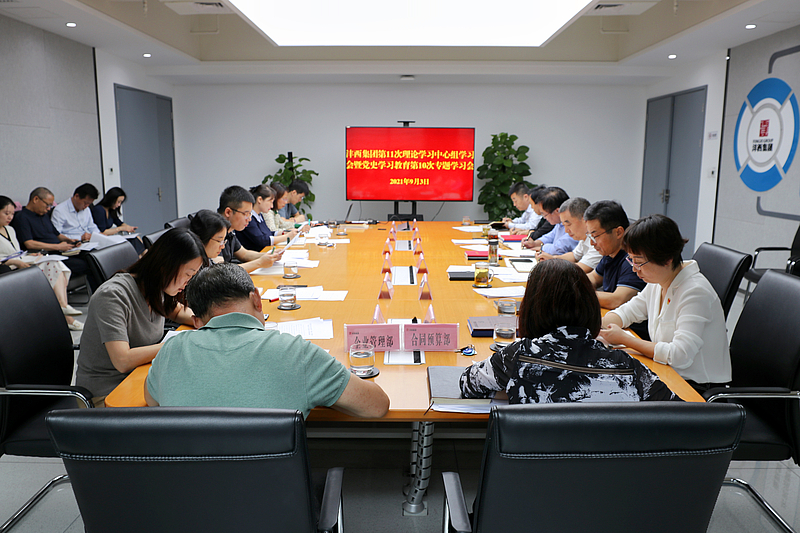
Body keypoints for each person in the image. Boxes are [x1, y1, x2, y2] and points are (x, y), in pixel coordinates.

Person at [145, 263, 391, 418]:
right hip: (271, 486)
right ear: (257, 299)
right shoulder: (296, 353)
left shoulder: (170, 351)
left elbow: (152, 400)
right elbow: (377, 406)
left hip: (186, 485)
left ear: (197, 322)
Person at [460, 259, 677, 403]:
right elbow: (676, 410)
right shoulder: (626, 366)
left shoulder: (517, 356)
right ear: (590, 305)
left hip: (535, 460)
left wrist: (512, 385)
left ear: (533, 308)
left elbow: (468, 384)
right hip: (606, 460)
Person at [599, 214, 732, 391]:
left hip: (695, 389)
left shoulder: (695, 292)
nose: (634, 269)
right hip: (666, 374)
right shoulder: (659, 281)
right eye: (631, 260)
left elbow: (680, 355)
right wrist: (597, 326)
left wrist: (625, 339)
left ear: (667, 259)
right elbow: (627, 312)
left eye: (639, 262)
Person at [75, 227, 205, 404]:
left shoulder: (156, 287)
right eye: (188, 275)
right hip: (108, 394)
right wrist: (177, 345)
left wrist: (202, 321)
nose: (188, 282)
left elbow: (176, 311)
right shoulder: (112, 295)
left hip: (141, 376)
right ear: (165, 267)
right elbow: (123, 360)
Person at [0, 195, 83, 330]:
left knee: (54, 262)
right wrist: (16, 261)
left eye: (12, 214)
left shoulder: (9, 229)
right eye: (6, 213)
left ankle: (63, 306)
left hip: (21, 261)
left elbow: (16, 251)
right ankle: (66, 314)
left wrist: (29, 255)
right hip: (9, 266)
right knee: (53, 265)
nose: (10, 217)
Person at [10, 186, 93, 283]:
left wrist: (70, 241)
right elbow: (29, 243)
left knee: (91, 257)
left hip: (59, 251)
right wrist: (57, 246)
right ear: (36, 199)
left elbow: (57, 234)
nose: (49, 209)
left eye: (50, 206)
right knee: (84, 264)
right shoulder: (22, 217)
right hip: (47, 255)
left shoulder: (43, 215)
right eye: (47, 205)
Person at [217, 185, 283, 273]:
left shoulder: (229, 232)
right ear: (228, 212)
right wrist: (259, 263)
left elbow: (244, 254)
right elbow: (221, 272)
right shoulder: (213, 232)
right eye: (245, 214)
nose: (249, 219)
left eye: (250, 214)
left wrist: (269, 255)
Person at [535, 197, 602, 273]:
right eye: (564, 225)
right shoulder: (584, 237)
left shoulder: (597, 241)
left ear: (584, 219)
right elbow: (574, 256)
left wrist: (553, 264)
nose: (566, 231)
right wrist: (552, 258)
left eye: (568, 224)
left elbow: (580, 269)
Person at [236, 184, 299, 252]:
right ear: (260, 199)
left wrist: (284, 232)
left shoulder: (259, 215)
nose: (272, 206)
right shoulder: (249, 218)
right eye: (270, 202)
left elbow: (268, 233)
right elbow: (262, 241)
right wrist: (286, 237)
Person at [523, 187, 578, 255]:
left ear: (557, 211)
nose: (545, 218)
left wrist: (542, 247)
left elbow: (558, 248)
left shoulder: (573, 225)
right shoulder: (559, 223)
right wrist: (535, 243)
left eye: (545, 214)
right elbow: (550, 236)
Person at [91, 187, 145, 255]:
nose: (119, 205)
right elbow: (102, 231)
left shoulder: (110, 210)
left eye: (120, 202)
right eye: (118, 202)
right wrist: (121, 228)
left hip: (108, 239)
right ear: (111, 199)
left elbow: (119, 222)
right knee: (134, 243)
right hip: (102, 241)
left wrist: (129, 228)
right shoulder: (99, 210)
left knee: (136, 238)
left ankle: (144, 256)